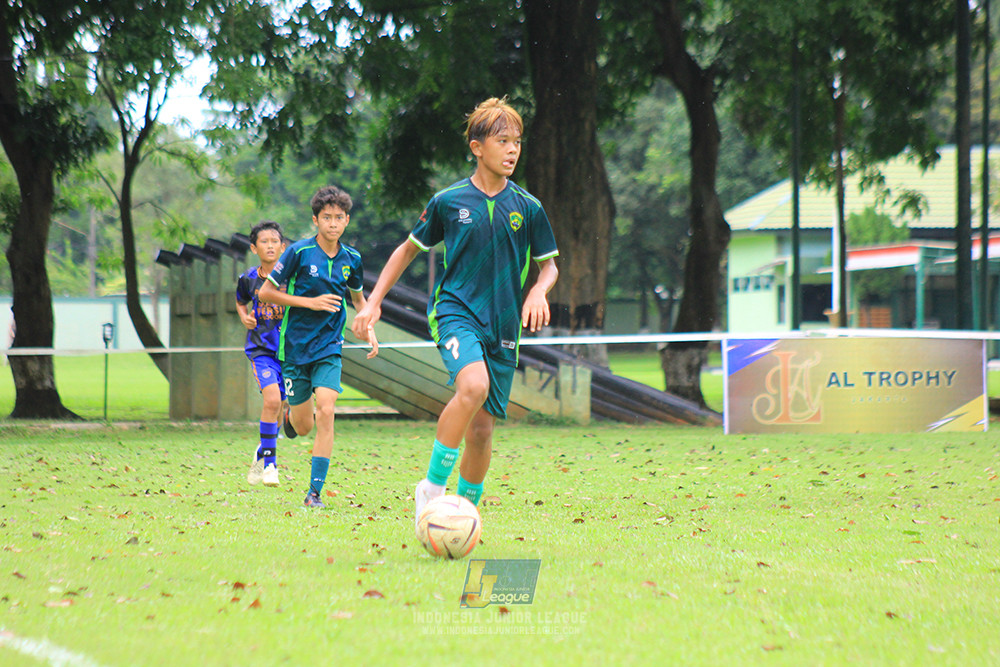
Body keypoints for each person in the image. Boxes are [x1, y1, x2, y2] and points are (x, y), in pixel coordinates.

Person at [351, 97, 559, 526]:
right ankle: (431, 488)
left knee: (482, 431)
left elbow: (550, 266)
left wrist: (539, 291)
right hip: (456, 311)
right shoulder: (448, 201)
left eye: (517, 142)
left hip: (504, 324)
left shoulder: (529, 207)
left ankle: (462, 517)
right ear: (477, 147)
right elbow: (407, 250)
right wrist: (373, 302)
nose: (513, 150)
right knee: (473, 385)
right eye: (503, 141)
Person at [259, 186, 377, 508]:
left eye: (339, 217)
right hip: (295, 348)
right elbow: (266, 293)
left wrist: (368, 328)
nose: (333, 223)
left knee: (326, 409)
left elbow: (359, 301)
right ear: (316, 220)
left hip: (329, 346)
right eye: (327, 217)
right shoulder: (299, 252)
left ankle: (314, 493)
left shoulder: (352, 259)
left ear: (347, 220)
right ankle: (290, 418)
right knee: (303, 426)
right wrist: (309, 302)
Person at [235, 220, 287, 488]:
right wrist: (244, 316)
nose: (270, 246)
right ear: (254, 248)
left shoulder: (291, 277)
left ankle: (262, 449)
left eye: (274, 241)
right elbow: (240, 300)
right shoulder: (248, 279)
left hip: (289, 352)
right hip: (261, 350)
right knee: (272, 401)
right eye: (264, 242)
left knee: (282, 406)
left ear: (283, 246)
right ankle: (270, 466)